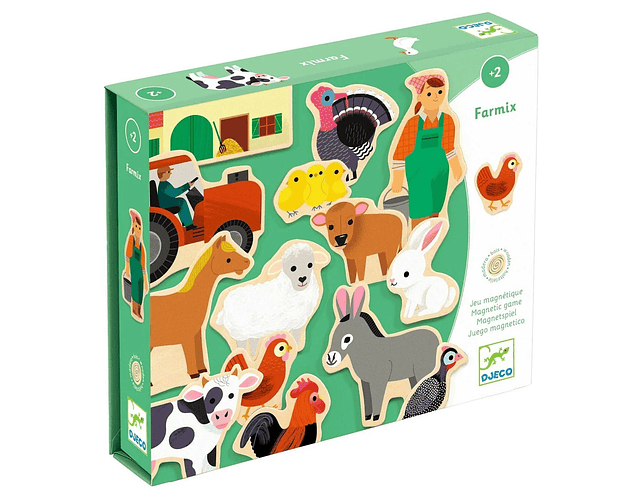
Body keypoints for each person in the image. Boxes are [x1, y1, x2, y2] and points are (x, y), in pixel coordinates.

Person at [390, 73, 464, 229]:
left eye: (440, 92)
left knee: (436, 209)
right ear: (420, 97)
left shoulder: (447, 120)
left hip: (440, 173)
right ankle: (416, 239)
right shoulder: (413, 123)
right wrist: (397, 179)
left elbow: (449, 147)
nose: (436, 97)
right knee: (420, 211)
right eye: (430, 93)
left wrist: (457, 168)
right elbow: (400, 152)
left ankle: (432, 238)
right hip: (419, 175)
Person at [124, 210, 149, 322]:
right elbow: (128, 256)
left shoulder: (142, 246)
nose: (138, 230)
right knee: (134, 292)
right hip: (133, 272)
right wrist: (127, 270)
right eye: (136, 227)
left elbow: (143, 266)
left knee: (140, 293)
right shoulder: (131, 240)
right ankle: (134, 311)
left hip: (140, 274)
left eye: (139, 228)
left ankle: (139, 311)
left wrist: (146, 281)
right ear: (133, 228)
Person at [156, 165, 197, 229]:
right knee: (181, 202)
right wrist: (187, 185)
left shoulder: (164, 184)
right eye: (168, 172)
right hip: (166, 205)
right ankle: (188, 224)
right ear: (163, 174)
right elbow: (175, 193)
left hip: (166, 202)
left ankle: (185, 222)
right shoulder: (164, 185)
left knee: (180, 201)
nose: (170, 173)